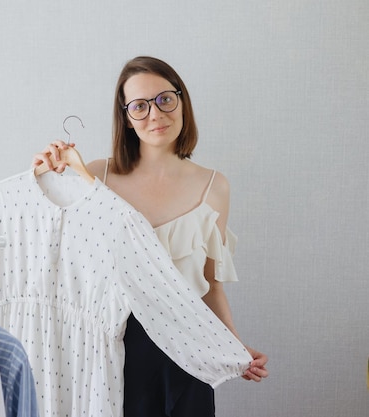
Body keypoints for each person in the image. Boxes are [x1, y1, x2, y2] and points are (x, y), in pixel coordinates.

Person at [32, 56, 268, 417]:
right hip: (110, 352)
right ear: (126, 117)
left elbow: (211, 287)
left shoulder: (214, 186)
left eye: (165, 99)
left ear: (182, 102)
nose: (155, 115)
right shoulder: (95, 177)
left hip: (188, 350)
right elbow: (58, 261)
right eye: (140, 106)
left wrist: (233, 346)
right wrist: (44, 171)